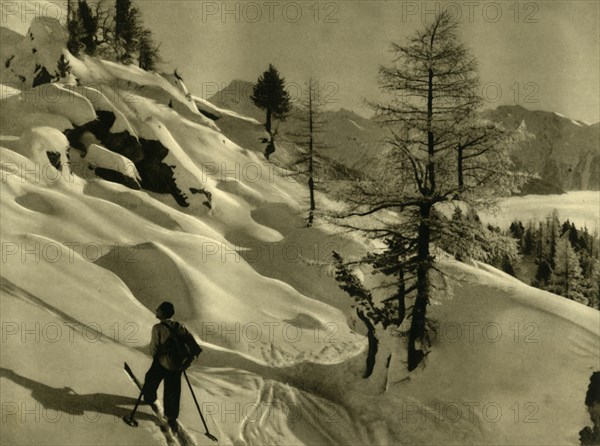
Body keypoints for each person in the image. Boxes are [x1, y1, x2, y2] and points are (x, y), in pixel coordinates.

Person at [143, 301, 201, 432]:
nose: (156, 310)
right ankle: (172, 417)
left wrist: (156, 359)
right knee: (173, 391)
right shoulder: (180, 326)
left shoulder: (157, 328)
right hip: (177, 365)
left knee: (151, 379)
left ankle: (149, 398)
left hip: (161, 362)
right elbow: (193, 345)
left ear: (163, 313)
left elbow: (154, 348)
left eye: (158, 309)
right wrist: (185, 363)